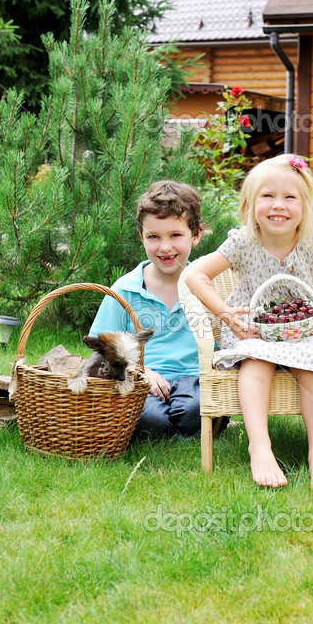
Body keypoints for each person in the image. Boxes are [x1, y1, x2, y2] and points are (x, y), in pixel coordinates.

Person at [185, 154, 313, 489]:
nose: (278, 205)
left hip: (305, 331)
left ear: (305, 207)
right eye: (267, 196)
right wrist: (224, 313)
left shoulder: (312, 246)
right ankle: (260, 447)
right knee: (256, 362)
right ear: (249, 203)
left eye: (290, 197)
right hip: (253, 330)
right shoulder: (242, 243)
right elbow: (195, 275)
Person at [89, 180, 204, 439]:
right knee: (151, 418)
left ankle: (194, 424)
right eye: (154, 236)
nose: (165, 247)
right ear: (141, 236)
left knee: (192, 409)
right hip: (143, 378)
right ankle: (167, 430)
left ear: (195, 235)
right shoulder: (126, 289)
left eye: (176, 235)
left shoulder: (205, 286)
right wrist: (141, 370)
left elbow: (225, 347)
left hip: (194, 378)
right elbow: (101, 346)